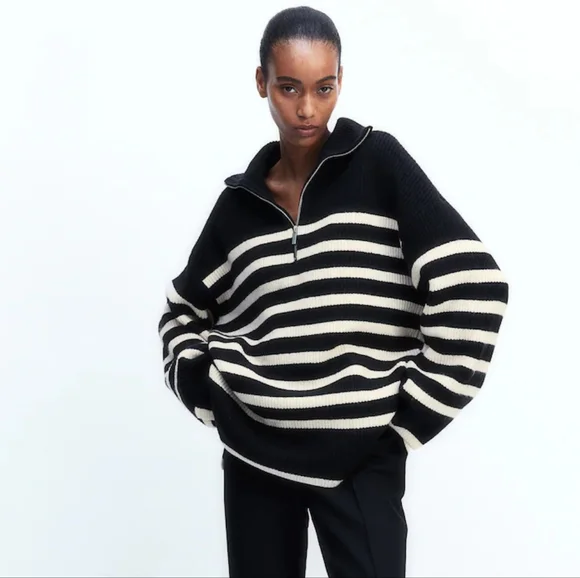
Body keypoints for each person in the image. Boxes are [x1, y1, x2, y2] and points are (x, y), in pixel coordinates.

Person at [157, 6, 509, 577]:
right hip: (254, 455)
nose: (307, 109)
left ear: (340, 81)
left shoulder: (377, 164)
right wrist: (212, 396)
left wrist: (402, 422)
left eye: (323, 88)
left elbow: (475, 287)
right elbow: (183, 315)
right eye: (289, 87)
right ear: (261, 82)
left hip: (361, 456)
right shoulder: (238, 207)